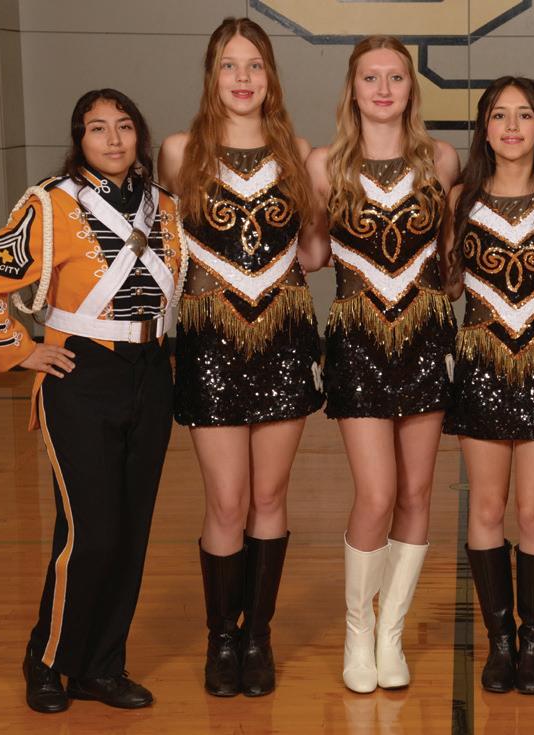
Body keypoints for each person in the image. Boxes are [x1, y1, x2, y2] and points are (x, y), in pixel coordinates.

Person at [0, 89, 186, 712]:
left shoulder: (165, 206)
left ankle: (102, 667)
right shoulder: (51, 204)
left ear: (139, 135)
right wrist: (19, 349)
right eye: (96, 128)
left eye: (124, 126)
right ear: (78, 139)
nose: (113, 139)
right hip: (81, 374)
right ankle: (48, 659)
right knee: (91, 531)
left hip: (151, 374)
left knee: (131, 531)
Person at [157, 18, 324, 699]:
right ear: (212, 75)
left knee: (268, 496)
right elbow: (162, 249)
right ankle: (220, 637)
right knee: (225, 500)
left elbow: (313, 253)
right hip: (210, 341)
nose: (243, 78)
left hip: (283, 336)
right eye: (230, 65)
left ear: (270, 76)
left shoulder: (297, 152)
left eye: (254, 65)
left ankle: (258, 636)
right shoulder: (179, 152)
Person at [300, 35, 459, 693]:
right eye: (372, 77)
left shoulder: (441, 159)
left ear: (411, 88)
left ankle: (391, 633)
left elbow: (448, 258)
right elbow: (313, 255)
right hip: (357, 341)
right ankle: (357, 630)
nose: (384, 89)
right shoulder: (324, 162)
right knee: (376, 493)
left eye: (396, 77)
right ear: (353, 88)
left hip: (425, 337)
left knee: (417, 493)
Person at [440, 77, 534, 695]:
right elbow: (447, 284)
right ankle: (499, 643)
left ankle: (533, 644)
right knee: (487, 507)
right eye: (499, 115)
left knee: (533, 510)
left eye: (525, 115)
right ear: (484, 128)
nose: (512, 127)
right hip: (481, 364)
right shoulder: (460, 199)